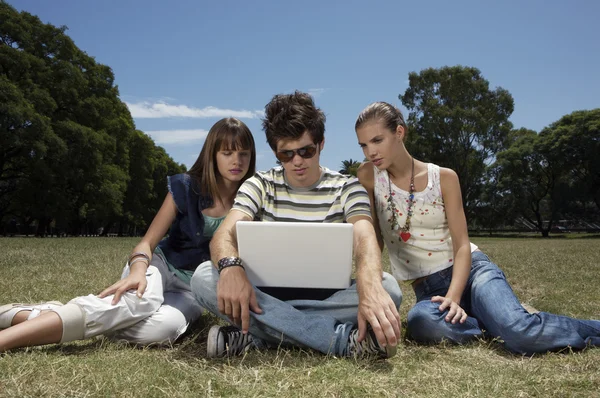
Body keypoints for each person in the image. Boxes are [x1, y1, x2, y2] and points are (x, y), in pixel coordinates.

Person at [354, 101, 600, 355]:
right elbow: (374, 237)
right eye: (363, 145)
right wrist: (369, 279)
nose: (370, 152)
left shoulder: (444, 177)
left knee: (518, 333)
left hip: (473, 272)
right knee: (420, 323)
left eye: (377, 140)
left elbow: (462, 244)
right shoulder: (369, 176)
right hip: (428, 291)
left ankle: (526, 324)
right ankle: (499, 322)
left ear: (399, 132)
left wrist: (454, 295)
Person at [0, 118, 256, 352]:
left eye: (244, 154)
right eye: (227, 153)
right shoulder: (186, 185)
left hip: (192, 288)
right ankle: (8, 340)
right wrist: (137, 271)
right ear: (212, 155)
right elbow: (147, 242)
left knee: (163, 330)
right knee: (141, 302)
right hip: (161, 265)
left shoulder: (253, 199)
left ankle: (48, 314)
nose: (237, 161)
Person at [191, 91, 402, 359]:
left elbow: (364, 236)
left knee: (389, 289)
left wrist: (370, 283)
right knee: (202, 278)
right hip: (263, 294)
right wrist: (231, 267)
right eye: (286, 154)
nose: (298, 161)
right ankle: (338, 341)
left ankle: (259, 335)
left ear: (321, 143)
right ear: (275, 152)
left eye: (306, 151)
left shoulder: (348, 187)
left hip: (324, 300)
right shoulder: (260, 184)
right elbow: (224, 234)